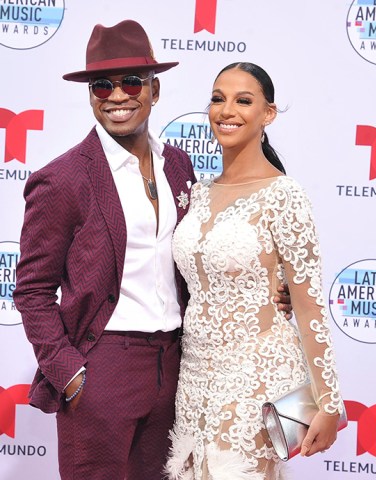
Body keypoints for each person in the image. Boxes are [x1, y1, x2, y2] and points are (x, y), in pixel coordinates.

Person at [13, 21, 292, 480]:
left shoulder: (178, 164)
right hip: (102, 369)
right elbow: (32, 291)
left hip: (178, 369)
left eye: (131, 82)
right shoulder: (62, 180)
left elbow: (204, 252)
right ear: (90, 94)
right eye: (102, 84)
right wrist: (71, 374)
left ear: (154, 90)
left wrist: (271, 289)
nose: (117, 95)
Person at [165, 62, 344, 480]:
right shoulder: (198, 193)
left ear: (268, 114)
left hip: (257, 379)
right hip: (192, 380)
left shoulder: (285, 195)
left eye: (243, 100)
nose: (227, 110)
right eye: (217, 98)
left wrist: (329, 402)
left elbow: (310, 307)